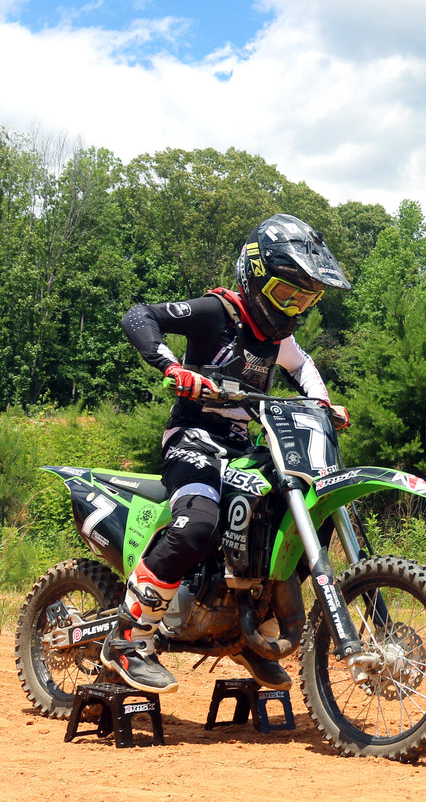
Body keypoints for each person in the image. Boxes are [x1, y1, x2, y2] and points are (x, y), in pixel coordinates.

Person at [101, 213, 352, 696]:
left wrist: (322, 406)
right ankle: (129, 637)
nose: (295, 307)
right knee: (198, 522)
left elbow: (303, 366)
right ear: (257, 278)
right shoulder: (219, 313)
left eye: (307, 299)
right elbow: (140, 316)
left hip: (243, 448)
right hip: (192, 440)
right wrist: (175, 368)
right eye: (288, 294)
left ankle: (254, 635)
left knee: (299, 520)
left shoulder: (278, 337)